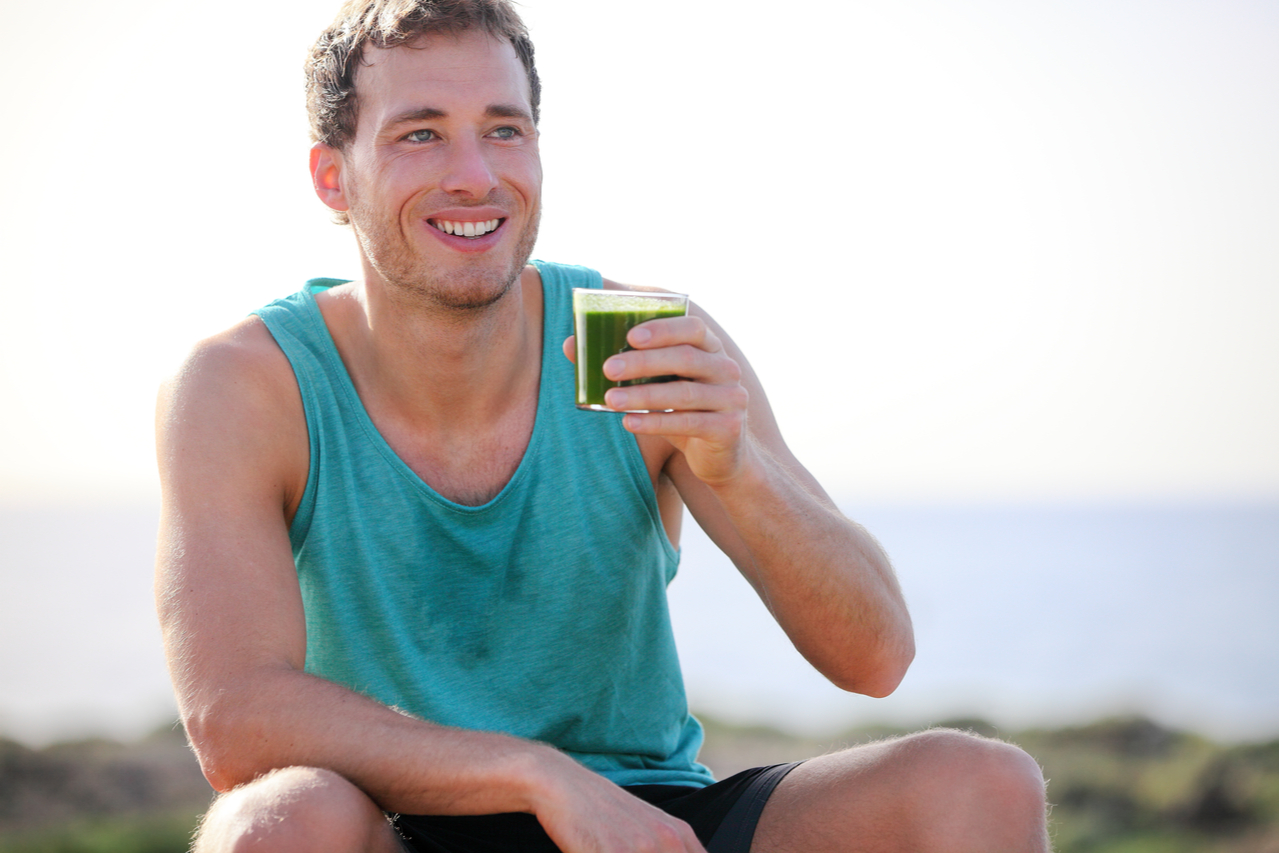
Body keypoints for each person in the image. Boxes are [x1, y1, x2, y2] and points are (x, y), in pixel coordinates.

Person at [153, 1, 1051, 850]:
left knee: (983, 783)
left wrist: (737, 469)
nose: (475, 173)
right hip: (392, 818)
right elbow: (232, 718)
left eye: (504, 128)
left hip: (646, 819)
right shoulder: (246, 385)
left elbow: (877, 655)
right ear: (332, 176)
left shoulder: (643, 338)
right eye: (420, 133)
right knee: (273, 822)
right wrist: (534, 773)